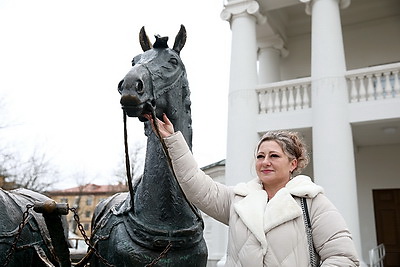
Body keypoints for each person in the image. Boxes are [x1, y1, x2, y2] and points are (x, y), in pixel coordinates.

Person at [145, 113, 360, 267]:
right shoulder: (238, 199)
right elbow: (196, 184)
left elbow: (343, 257)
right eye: (260, 156)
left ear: (293, 164)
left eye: (274, 156)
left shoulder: (313, 202)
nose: (265, 162)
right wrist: (173, 140)